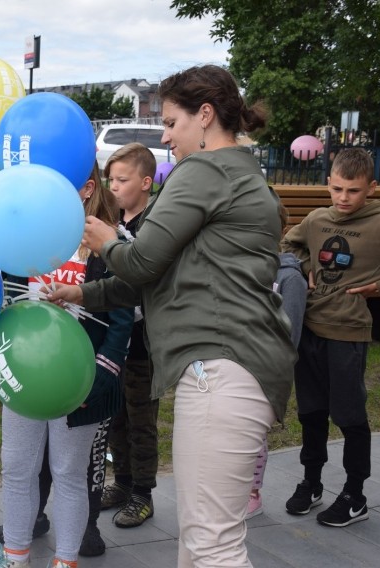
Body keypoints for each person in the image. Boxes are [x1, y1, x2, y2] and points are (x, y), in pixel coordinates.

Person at [47, 65, 296, 567]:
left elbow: (139, 261)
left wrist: (106, 240)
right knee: (201, 538)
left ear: (205, 116)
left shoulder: (205, 171)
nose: (164, 136)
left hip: (221, 366)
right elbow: (156, 275)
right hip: (239, 365)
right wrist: (81, 296)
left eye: (172, 121)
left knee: (212, 545)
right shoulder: (243, 172)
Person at [0, 164, 134, 568]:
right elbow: (5, 298)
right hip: (24, 377)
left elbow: (121, 321)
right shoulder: (24, 238)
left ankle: (65, 560)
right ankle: (15, 556)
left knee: (68, 472)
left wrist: (100, 376)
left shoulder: (107, 242)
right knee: (17, 468)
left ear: (87, 189)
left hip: (80, 385)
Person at [280, 147, 380, 527]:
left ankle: (354, 494)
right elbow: (287, 245)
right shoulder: (317, 219)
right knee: (311, 413)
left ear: (372, 188)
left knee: (349, 416)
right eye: (336, 189)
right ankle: (311, 482)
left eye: (353, 190)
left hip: (348, 334)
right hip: (310, 330)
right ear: (328, 184)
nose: (343, 198)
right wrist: (303, 267)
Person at [99, 143, 161, 529]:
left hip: (143, 344)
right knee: (114, 417)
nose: (114, 187)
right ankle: (120, 483)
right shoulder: (110, 220)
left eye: (122, 180)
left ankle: (143, 494)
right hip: (113, 341)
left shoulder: (154, 227)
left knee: (141, 421)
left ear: (145, 182)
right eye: (111, 180)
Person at [246, 202, 307, 520]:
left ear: (281, 231)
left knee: (255, 434)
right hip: (239, 362)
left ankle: (252, 492)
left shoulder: (289, 279)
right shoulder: (244, 268)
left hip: (268, 369)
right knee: (238, 432)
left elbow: (291, 333)